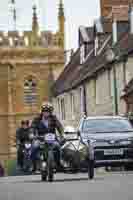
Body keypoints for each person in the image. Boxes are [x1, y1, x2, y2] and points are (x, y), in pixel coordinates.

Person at [31, 102, 64, 172]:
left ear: (50, 112)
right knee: (34, 147)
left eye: (48, 111)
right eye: (45, 111)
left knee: (58, 147)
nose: (46, 113)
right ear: (42, 112)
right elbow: (32, 127)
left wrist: (62, 134)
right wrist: (32, 134)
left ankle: (58, 163)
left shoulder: (54, 118)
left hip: (52, 139)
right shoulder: (37, 119)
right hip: (40, 139)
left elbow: (59, 126)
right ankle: (34, 165)